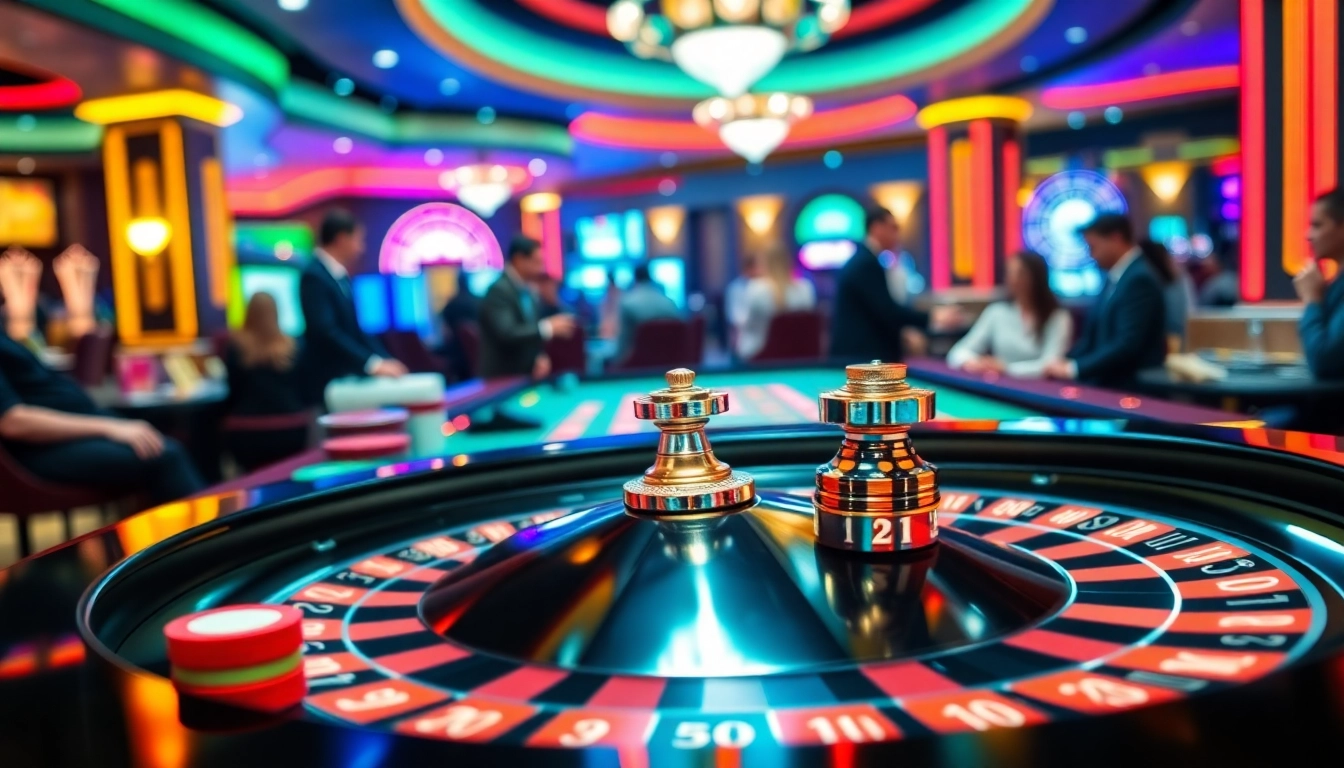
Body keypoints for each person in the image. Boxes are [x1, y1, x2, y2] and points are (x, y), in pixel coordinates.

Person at [0, 332, 203, 504]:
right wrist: (109, 427)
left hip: (62, 439)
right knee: (164, 454)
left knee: (161, 435)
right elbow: (12, 421)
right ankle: (206, 544)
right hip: (34, 453)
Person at [1043, 214, 1167, 388]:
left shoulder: (1139, 278)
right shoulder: (1115, 276)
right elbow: (1092, 339)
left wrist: (1075, 368)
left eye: (1093, 247)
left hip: (1132, 390)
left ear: (1116, 238)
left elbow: (1127, 345)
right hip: (1108, 385)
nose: (1091, 255)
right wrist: (1065, 361)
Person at [298, 209, 406, 404]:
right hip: (326, 381)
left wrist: (382, 359)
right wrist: (372, 364)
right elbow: (325, 332)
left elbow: (356, 329)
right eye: (358, 240)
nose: (361, 248)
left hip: (346, 377)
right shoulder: (313, 276)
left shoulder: (338, 275)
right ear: (341, 238)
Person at [830, 207, 958, 362]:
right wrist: (933, 316)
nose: (898, 235)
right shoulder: (866, 263)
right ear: (877, 228)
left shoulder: (863, 259)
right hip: (862, 357)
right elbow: (887, 311)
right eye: (894, 228)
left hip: (858, 354)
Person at [947, 251, 1072, 378]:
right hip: (1001, 387)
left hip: (1041, 390)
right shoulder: (997, 312)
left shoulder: (1058, 317)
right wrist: (976, 364)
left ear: (1036, 277)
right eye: (1010, 273)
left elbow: (1052, 365)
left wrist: (1007, 369)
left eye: (1020, 273)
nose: (1013, 279)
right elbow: (958, 353)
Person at [223, 293, 308, 471]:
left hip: (247, 432)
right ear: (277, 313)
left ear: (248, 312)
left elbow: (232, 390)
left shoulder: (235, 345)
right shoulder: (294, 345)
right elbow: (304, 389)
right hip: (291, 428)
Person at [478, 235, 576, 379]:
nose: (541, 268)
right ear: (519, 260)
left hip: (524, 376)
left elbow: (528, 330)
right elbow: (507, 332)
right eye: (537, 262)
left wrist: (538, 356)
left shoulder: (526, 290)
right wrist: (548, 327)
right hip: (501, 378)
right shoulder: (499, 290)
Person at [734, 243, 816, 360]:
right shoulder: (806, 289)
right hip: (800, 357)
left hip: (759, 358)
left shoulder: (756, 289)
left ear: (764, 263)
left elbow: (747, 325)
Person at [1295, 188, 1344, 380]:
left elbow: (1323, 360)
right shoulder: (1335, 284)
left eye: (1317, 225)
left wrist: (1312, 301)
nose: (1308, 235)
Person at [616, 264, 683, 366]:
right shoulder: (669, 303)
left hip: (637, 368)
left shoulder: (627, 303)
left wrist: (614, 365)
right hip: (671, 364)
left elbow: (623, 344)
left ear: (635, 278)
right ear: (650, 277)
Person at [1138, 239, 1196, 346]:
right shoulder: (1178, 278)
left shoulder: (1156, 283)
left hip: (1167, 344)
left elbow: (1175, 321)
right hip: (1178, 340)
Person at [440, 273, 481, 382]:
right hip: (479, 355)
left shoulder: (450, 305)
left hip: (456, 355)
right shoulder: (478, 301)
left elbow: (446, 331)